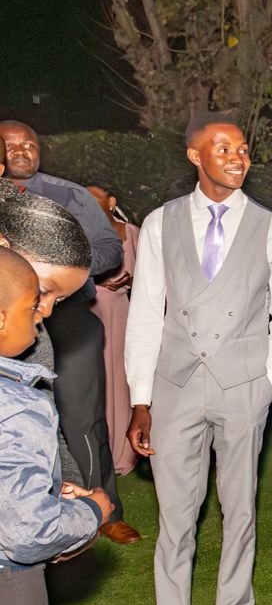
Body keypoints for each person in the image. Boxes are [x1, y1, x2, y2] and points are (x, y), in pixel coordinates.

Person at [122, 113, 272, 605]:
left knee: (239, 504)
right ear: (195, 156)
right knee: (176, 511)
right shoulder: (160, 223)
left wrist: (266, 385)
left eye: (242, 148)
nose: (236, 157)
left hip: (243, 384)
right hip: (175, 385)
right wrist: (141, 398)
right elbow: (145, 314)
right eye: (222, 148)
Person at [0, 245, 112, 605]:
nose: (42, 316)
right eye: (34, 305)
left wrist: (41, 490)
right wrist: (89, 511)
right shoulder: (14, 404)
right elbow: (26, 531)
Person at [0, 120, 135, 544]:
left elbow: (110, 250)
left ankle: (103, 508)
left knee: (79, 417)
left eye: (29, 144)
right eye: (10, 145)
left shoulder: (70, 193)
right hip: (11, 317)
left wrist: (60, 266)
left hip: (69, 315)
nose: (21, 151)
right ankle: (37, 511)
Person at [87, 185, 141, 475]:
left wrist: (130, 282)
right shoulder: (79, 233)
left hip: (122, 313)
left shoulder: (132, 232)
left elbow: (151, 273)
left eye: (94, 199)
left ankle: (123, 452)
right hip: (88, 310)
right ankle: (96, 451)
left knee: (121, 379)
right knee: (94, 380)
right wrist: (93, 283)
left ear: (111, 202)